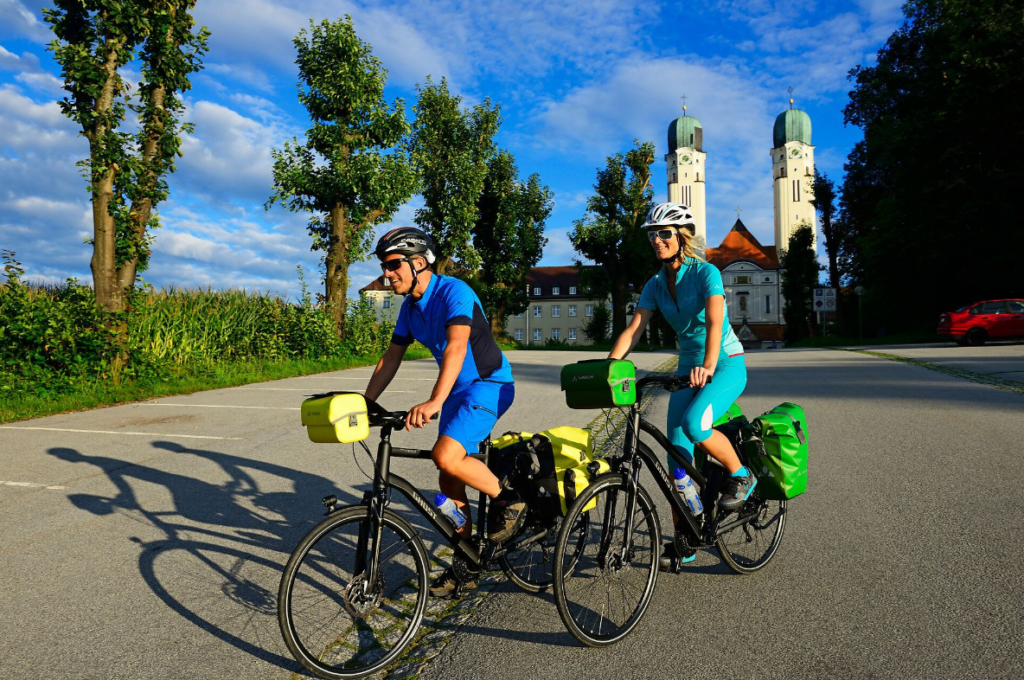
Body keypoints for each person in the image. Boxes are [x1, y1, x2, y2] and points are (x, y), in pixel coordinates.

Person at [364, 227, 522, 597]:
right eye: (384, 266)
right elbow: (390, 358)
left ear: (418, 263)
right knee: (448, 478)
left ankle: (509, 500)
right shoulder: (409, 308)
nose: (386, 274)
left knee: (445, 455)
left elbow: (456, 347)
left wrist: (434, 401)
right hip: (455, 393)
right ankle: (466, 562)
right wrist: (365, 402)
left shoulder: (454, 292)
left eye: (392, 265)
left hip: (490, 386)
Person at [607, 203, 755, 569]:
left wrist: (707, 365)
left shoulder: (706, 273)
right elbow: (634, 328)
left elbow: (717, 321)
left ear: (681, 238)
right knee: (677, 464)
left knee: (694, 426)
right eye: (652, 234)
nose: (657, 240)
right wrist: (608, 366)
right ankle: (687, 539)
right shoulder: (655, 284)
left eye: (664, 234)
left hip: (724, 363)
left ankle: (741, 475)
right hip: (689, 366)